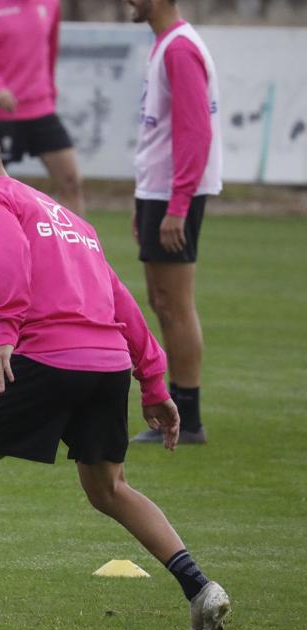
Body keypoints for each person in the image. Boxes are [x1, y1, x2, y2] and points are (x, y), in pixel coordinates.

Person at [0, 116, 229, 630]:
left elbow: (11, 260)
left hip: (48, 358)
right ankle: (201, 589)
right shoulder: (65, 216)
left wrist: (6, 331)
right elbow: (119, 297)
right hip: (106, 366)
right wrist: (153, 381)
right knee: (109, 488)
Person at [127, 0, 220, 445]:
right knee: (162, 300)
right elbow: (160, 131)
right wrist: (142, 200)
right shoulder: (166, 45)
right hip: (158, 192)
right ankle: (179, 408)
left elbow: (195, 130)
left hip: (172, 194)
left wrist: (178, 203)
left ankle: (189, 415)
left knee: (175, 302)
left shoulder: (180, 49)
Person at [0, 0, 84, 294]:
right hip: (0, 111)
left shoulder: (50, 4)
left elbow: (50, 50)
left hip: (41, 108)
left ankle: (78, 261)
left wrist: (50, 93)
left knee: (71, 180)